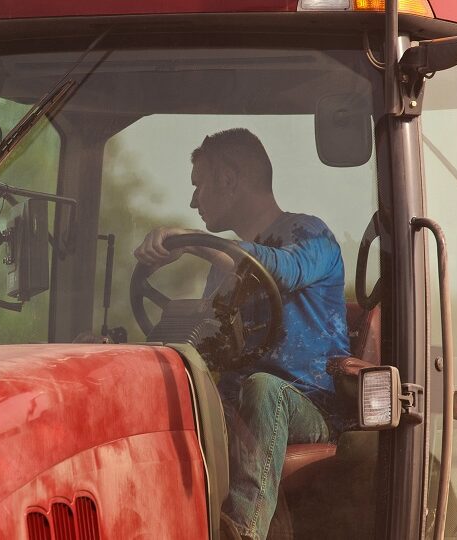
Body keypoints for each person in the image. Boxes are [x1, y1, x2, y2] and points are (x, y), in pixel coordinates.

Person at [133, 128, 350, 540]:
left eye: (199, 186)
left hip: (307, 406)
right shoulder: (222, 266)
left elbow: (279, 271)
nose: (193, 200)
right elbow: (212, 344)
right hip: (238, 404)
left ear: (229, 180)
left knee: (263, 389)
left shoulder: (311, 236)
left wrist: (191, 241)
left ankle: (239, 532)